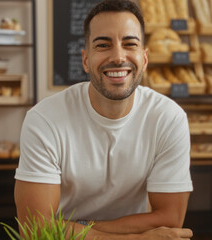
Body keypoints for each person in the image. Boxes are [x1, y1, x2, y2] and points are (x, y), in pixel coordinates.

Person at [14, 0, 193, 239]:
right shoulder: (45, 120)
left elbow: (170, 218)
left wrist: (75, 226)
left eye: (130, 44)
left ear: (145, 58)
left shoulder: (169, 118)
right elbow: (35, 228)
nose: (118, 57)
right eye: (103, 45)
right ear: (86, 60)